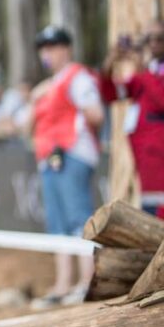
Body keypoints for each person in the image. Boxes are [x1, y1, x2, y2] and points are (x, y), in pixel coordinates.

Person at [26, 25, 104, 308]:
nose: (47, 53)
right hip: (49, 158)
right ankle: (62, 285)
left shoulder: (77, 78)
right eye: (43, 49)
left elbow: (95, 114)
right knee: (57, 224)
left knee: (78, 220)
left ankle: (87, 282)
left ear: (65, 49)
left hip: (73, 153)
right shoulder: (50, 84)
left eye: (52, 47)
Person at [99, 21, 164, 218]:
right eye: (146, 39)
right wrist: (111, 62)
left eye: (159, 39)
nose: (152, 44)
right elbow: (110, 93)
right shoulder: (145, 75)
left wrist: (142, 70)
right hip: (145, 162)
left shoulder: (148, 74)